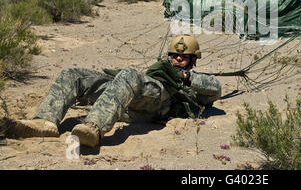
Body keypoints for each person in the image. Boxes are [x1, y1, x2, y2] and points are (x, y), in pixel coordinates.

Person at [6, 35, 221, 148]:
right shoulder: (160, 69)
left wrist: (183, 76)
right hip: (132, 92)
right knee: (74, 74)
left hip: (160, 100)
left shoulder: (194, 79)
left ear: (193, 60)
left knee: (128, 74)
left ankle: (93, 128)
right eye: (174, 55)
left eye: (183, 57)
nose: (177, 59)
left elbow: (216, 90)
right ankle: (45, 122)